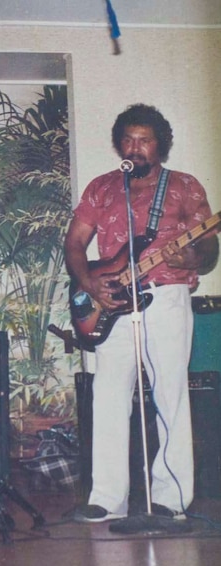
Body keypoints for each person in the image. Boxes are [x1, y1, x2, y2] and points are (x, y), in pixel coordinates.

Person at [65, 104, 218, 523]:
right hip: (112, 301)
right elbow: (75, 243)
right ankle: (107, 497)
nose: (135, 147)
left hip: (166, 296)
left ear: (160, 145)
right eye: (129, 139)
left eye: (144, 140)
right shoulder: (101, 188)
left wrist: (195, 256)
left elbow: (209, 246)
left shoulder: (184, 187)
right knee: (108, 393)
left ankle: (171, 498)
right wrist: (88, 283)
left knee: (170, 393)